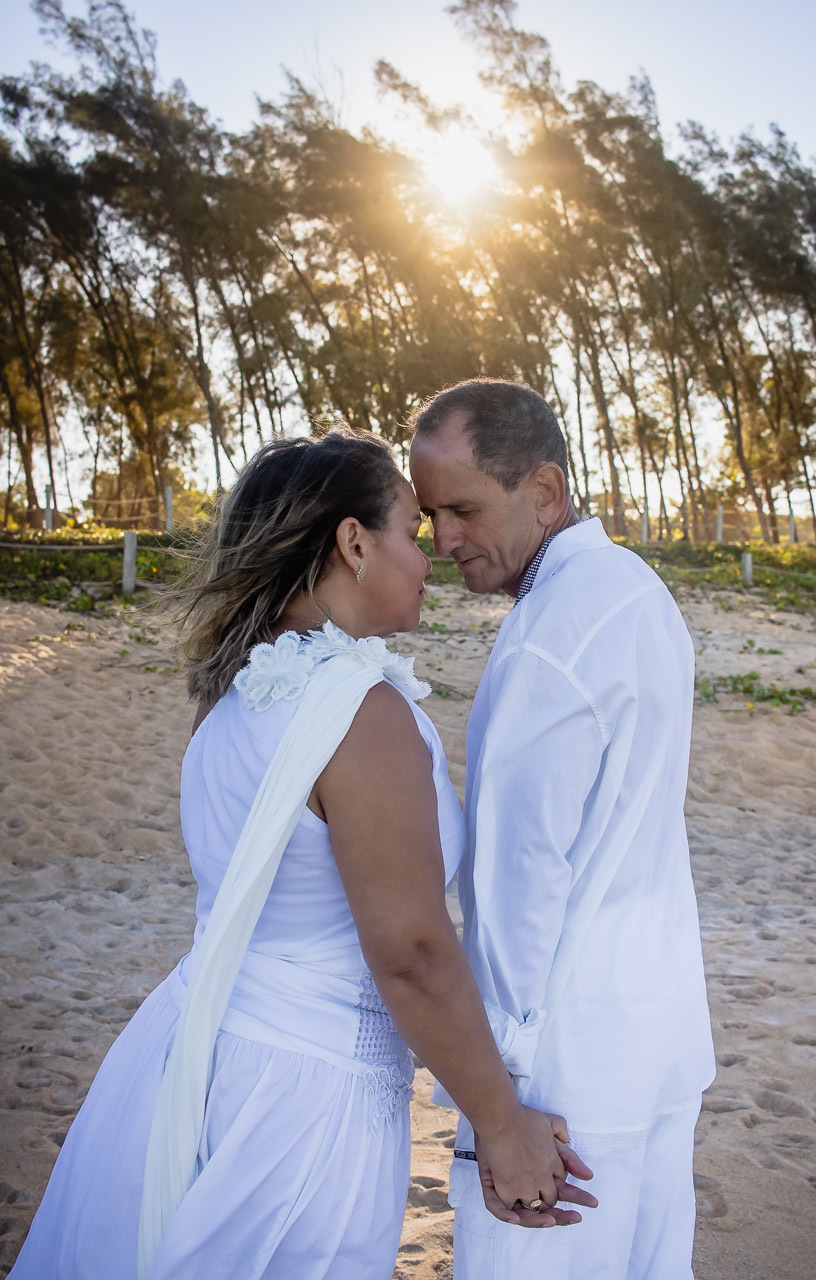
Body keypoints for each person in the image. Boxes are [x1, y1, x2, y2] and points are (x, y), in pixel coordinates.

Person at [10, 429, 596, 1280]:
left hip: (193, 1055)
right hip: (300, 1099)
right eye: (408, 527)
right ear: (354, 543)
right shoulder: (362, 715)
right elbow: (413, 954)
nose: (431, 551)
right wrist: (503, 1126)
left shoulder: (232, 691)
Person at [409, 381, 716, 1279]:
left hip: (563, 1083)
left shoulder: (548, 642)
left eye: (464, 509)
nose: (445, 540)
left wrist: (501, 1108)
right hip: (656, 1038)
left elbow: (521, 890)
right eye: (430, 516)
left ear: (543, 492)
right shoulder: (639, 591)